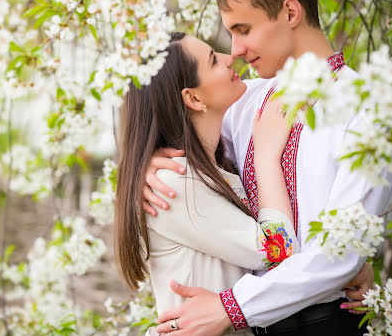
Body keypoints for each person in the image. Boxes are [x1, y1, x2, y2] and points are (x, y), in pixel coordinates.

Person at [144, 0, 392, 336]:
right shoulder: (243, 101)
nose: (237, 51)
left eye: (243, 30)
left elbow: (339, 256)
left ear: (291, 13)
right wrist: (150, 162)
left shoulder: (368, 110)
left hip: (326, 325)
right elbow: (184, 132)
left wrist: (232, 308)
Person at [114, 32, 302, 336]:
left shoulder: (212, 167)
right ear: (194, 98)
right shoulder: (176, 182)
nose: (231, 58)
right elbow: (277, 252)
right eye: (214, 60)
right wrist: (266, 158)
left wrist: (346, 269)